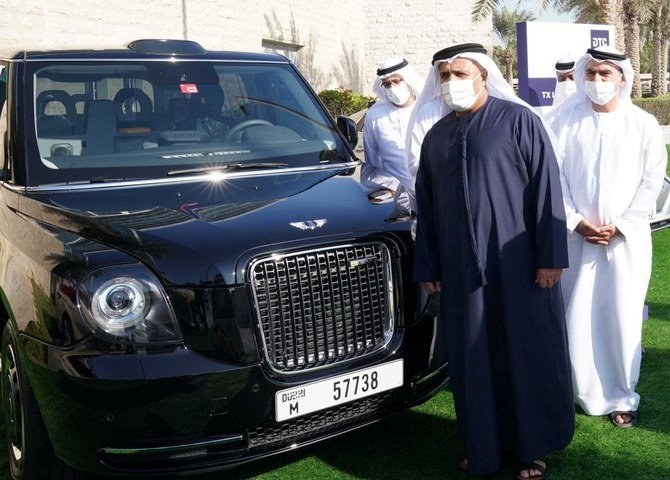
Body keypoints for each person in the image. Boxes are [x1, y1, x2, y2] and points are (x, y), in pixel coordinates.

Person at [413, 42, 575, 480]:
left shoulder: (518, 120)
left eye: (460, 74)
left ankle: (532, 448)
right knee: (471, 360)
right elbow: (424, 206)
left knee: (525, 353)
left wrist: (550, 258)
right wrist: (428, 266)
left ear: (483, 75)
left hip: (519, 266)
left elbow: (547, 191)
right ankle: (481, 446)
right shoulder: (436, 136)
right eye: (445, 76)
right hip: (460, 270)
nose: (452, 83)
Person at [549, 46, 667, 428]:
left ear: (622, 78)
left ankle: (621, 394)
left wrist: (623, 225)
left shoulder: (643, 124)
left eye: (605, 74)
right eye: (592, 74)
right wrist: (576, 221)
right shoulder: (565, 122)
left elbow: (652, 183)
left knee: (622, 315)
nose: (597, 82)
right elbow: (555, 180)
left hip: (626, 243)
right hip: (575, 239)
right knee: (576, 314)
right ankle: (575, 391)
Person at [361, 58, 423, 206]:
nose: (392, 87)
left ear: (408, 80)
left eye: (396, 81)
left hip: (432, 192)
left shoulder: (427, 109)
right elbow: (372, 161)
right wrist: (388, 188)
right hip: (395, 196)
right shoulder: (374, 115)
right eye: (387, 84)